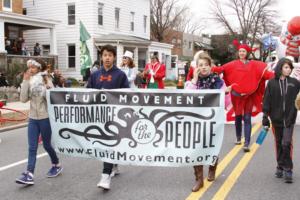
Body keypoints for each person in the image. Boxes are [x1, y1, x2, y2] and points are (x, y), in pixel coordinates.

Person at [212, 40, 274, 152]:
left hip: (249, 96)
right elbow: (221, 69)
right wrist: (210, 67)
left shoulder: (254, 64)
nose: (241, 53)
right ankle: (238, 137)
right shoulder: (232, 64)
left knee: (247, 118)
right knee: (238, 117)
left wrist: (277, 74)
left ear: (247, 52)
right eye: (240, 51)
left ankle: (246, 143)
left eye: (243, 51)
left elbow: (265, 74)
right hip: (236, 96)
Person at [87, 45, 129, 190]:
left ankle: (105, 176)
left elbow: (127, 95)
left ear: (114, 57)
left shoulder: (120, 75)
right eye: (105, 55)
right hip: (100, 115)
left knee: (108, 143)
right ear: (101, 57)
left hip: (115, 116)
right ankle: (114, 165)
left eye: (110, 55)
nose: (107, 58)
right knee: (108, 144)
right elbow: (88, 93)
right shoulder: (95, 75)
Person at [16, 59, 63, 185]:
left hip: (45, 118)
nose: (30, 69)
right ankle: (29, 173)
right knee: (32, 147)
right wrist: (25, 81)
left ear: (39, 68)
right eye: (29, 67)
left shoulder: (45, 79)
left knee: (47, 145)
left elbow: (54, 98)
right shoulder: (29, 80)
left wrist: (48, 87)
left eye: (33, 67)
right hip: (32, 119)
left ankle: (56, 164)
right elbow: (23, 99)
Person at [185, 53, 224, 192]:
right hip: (196, 119)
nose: (203, 67)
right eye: (200, 65)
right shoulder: (192, 82)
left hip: (213, 120)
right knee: (197, 148)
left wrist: (226, 93)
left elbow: (225, 101)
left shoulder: (218, 81)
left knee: (211, 145)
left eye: (206, 65)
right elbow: (187, 96)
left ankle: (212, 169)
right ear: (197, 67)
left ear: (210, 66)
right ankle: (199, 179)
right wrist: (194, 79)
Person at [262, 58, 300, 183]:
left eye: (289, 67)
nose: (288, 69)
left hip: (290, 119)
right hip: (276, 119)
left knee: (286, 143)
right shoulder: (272, 83)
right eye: (286, 67)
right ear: (280, 68)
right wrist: (265, 117)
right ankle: (280, 166)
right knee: (278, 143)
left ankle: (288, 169)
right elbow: (267, 100)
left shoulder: (295, 82)